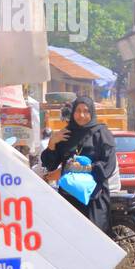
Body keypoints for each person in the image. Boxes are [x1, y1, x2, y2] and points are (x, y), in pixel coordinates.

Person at [41, 96, 116, 233]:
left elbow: (108, 165)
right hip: (69, 198)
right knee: (71, 240)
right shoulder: (66, 134)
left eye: (86, 111)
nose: (81, 115)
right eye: (78, 110)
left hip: (94, 197)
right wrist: (52, 143)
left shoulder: (102, 134)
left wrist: (85, 168)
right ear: (73, 112)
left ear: (92, 113)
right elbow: (50, 164)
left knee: (95, 240)